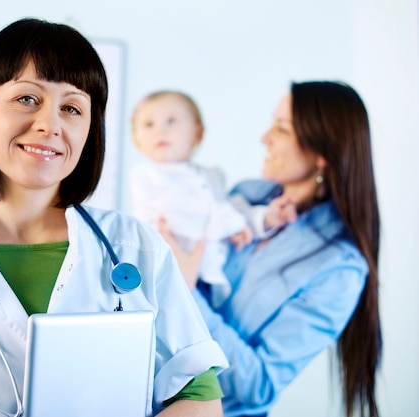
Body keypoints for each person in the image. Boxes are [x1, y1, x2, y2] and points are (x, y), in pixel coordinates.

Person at [0, 18, 229, 417]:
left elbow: (198, 394)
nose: (50, 124)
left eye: (71, 108)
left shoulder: (137, 248)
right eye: (27, 99)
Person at [159, 81, 381, 417]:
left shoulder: (340, 268)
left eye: (281, 128)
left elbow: (259, 386)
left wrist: (187, 289)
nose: (264, 138)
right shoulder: (245, 196)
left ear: (322, 152)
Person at [129, 90, 253, 306]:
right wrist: (229, 223)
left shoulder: (211, 176)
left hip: (210, 274)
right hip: (167, 274)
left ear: (197, 134)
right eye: (149, 125)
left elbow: (226, 206)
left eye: (172, 121)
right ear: (137, 140)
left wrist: (246, 223)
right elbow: (178, 211)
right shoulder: (146, 176)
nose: (161, 130)